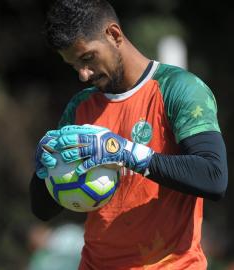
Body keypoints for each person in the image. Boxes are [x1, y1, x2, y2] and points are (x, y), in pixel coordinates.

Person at [30, 0, 228, 269]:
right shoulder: (80, 108)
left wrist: (127, 153)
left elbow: (214, 176)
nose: (83, 74)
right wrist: (45, 171)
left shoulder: (178, 89)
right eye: (74, 65)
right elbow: (43, 210)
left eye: (87, 58)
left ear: (114, 34)